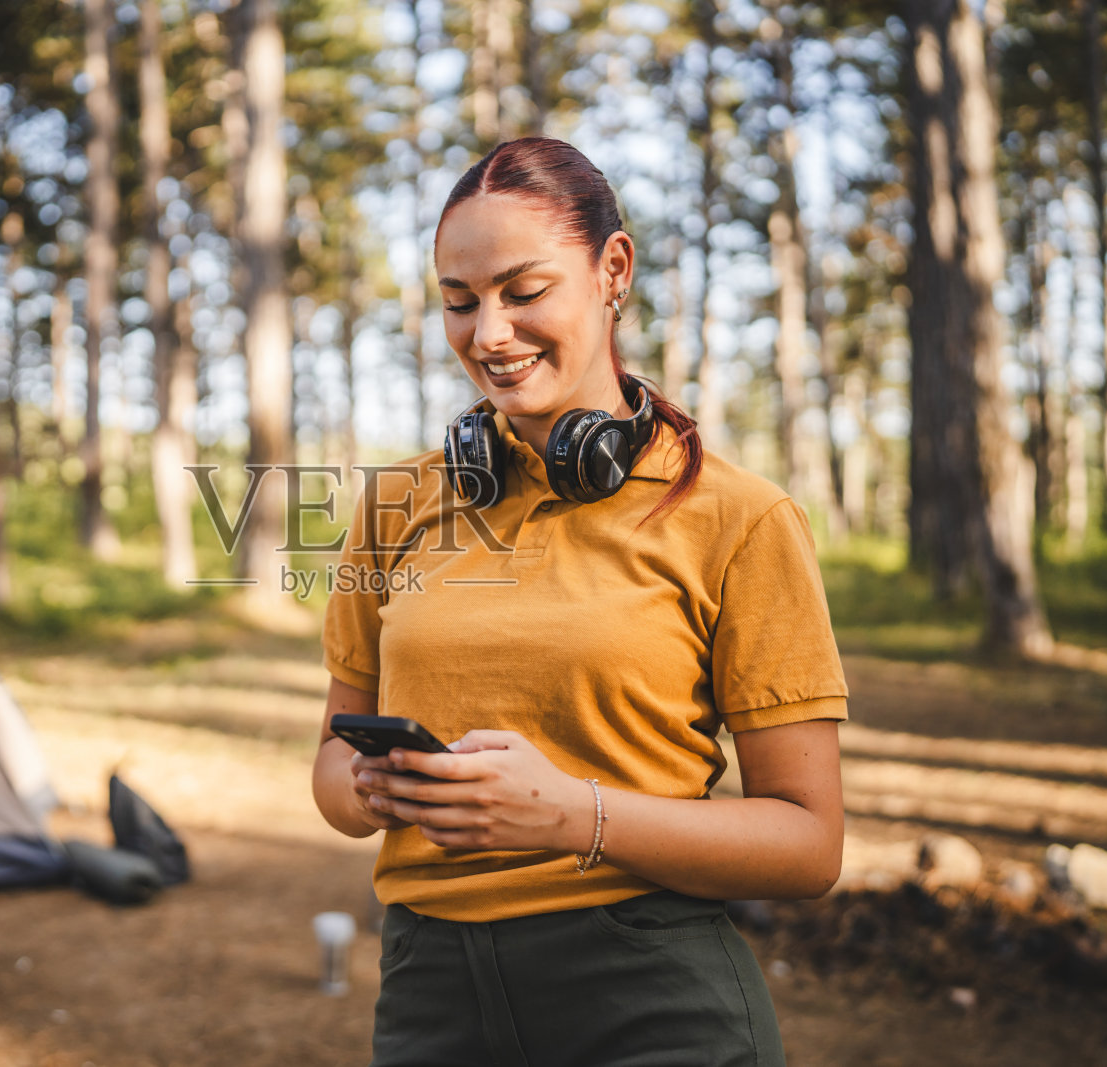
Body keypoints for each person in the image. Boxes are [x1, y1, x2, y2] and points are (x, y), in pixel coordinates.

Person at [311, 137, 847, 1067]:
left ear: (613, 270)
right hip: (429, 997)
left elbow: (808, 843)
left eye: (524, 292)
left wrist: (573, 815)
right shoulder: (396, 503)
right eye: (459, 301)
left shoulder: (742, 517)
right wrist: (368, 787)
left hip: (649, 999)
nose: (489, 335)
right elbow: (330, 762)